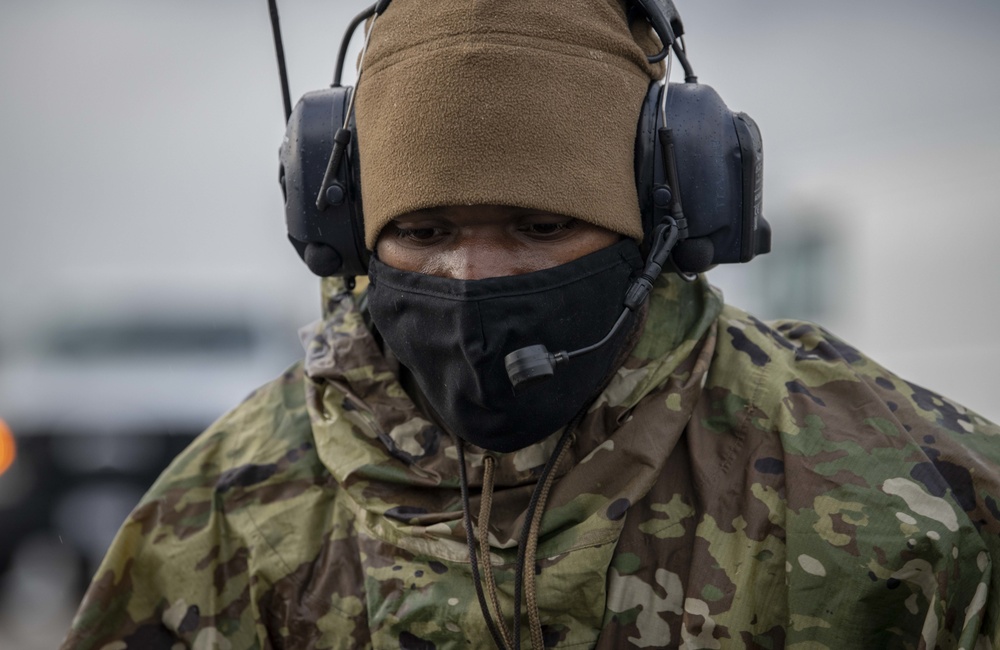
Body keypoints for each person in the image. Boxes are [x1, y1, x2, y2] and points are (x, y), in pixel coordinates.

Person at [63, 0, 1000, 648]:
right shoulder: (221, 516)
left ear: (668, 209)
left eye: (541, 226)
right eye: (424, 232)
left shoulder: (909, 507)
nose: (473, 276)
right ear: (341, 229)